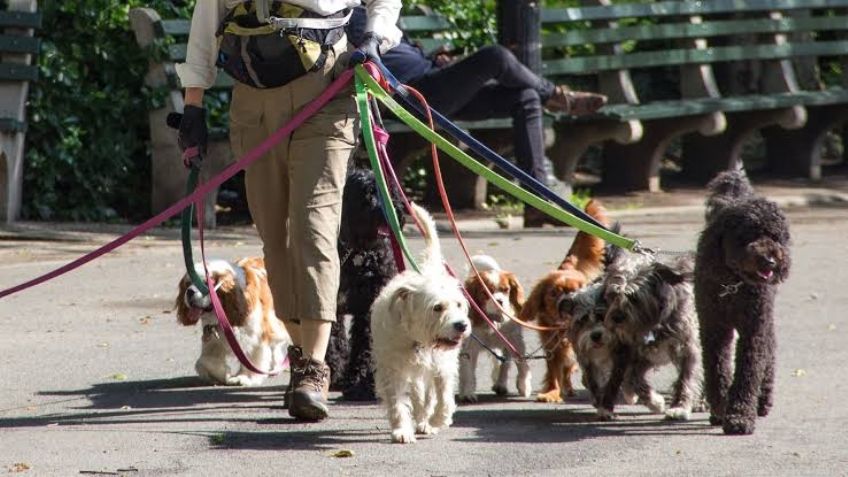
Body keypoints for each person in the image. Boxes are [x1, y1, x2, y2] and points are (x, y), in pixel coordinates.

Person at [175, 0, 400, 421]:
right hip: (254, 101)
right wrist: (193, 107)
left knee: (312, 228)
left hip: (327, 90)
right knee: (274, 237)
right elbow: (206, 21)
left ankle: (314, 367)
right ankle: (300, 355)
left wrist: (373, 37)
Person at [346, 7, 607, 227]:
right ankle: (558, 97)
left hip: (435, 85)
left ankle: (537, 201)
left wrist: (437, 61)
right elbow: (370, 61)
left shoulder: (376, 9)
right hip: (412, 93)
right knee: (495, 57)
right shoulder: (351, 15)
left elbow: (400, 55)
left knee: (525, 97)